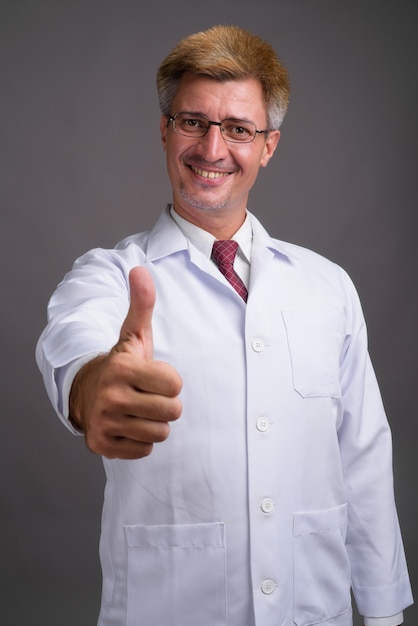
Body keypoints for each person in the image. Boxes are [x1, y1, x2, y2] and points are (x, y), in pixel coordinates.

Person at [36, 25, 413, 626]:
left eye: (238, 129)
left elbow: (363, 456)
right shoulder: (111, 275)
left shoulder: (328, 286)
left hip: (312, 611)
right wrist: (94, 388)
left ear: (268, 146)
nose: (213, 148)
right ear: (164, 130)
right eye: (192, 122)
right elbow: (73, 348)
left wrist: (386, 612)